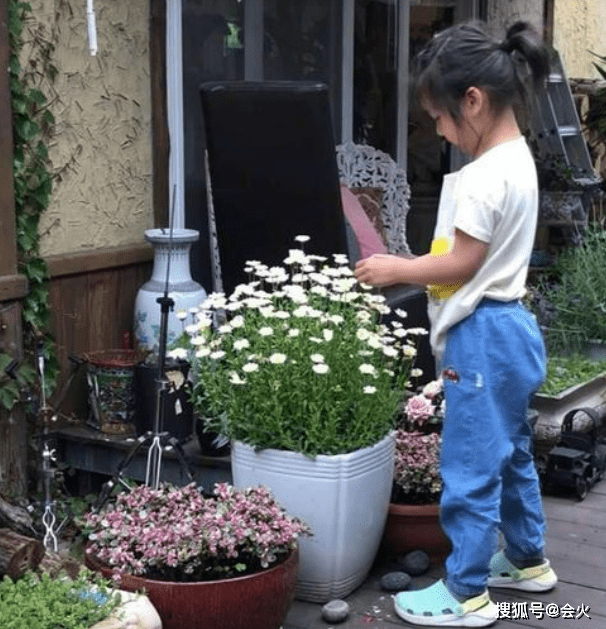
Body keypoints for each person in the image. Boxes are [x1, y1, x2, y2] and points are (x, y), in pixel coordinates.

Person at [355, 20, 558, 628]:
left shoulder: (480, 177)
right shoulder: (517, 159)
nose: (439, 131)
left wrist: (397, 268)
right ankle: (526, 559)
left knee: (469, 467)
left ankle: (465, 592)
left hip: (481, 335)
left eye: (439, 118)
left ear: (473, 100)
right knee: (513, 451)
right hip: (514, 328)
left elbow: (462, 261)